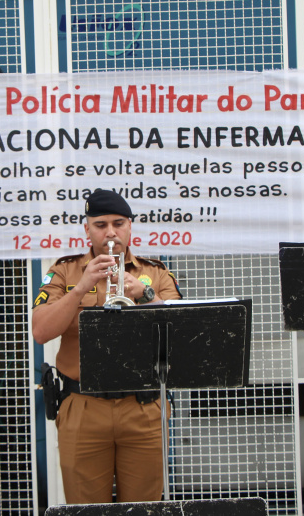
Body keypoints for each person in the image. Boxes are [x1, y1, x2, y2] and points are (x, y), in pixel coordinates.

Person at [32, 189, 182, 504]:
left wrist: (146, 295)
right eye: (100, 225)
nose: (110, 232)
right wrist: (81, 289)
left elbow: (180, 333)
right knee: (86, 508)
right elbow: (41, 331)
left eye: (118, 223)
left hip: (142, 406)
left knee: (145, 508)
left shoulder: (154, 273)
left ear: (130, 226)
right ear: (87, 229)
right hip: (83, 407)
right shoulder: (65, 270)